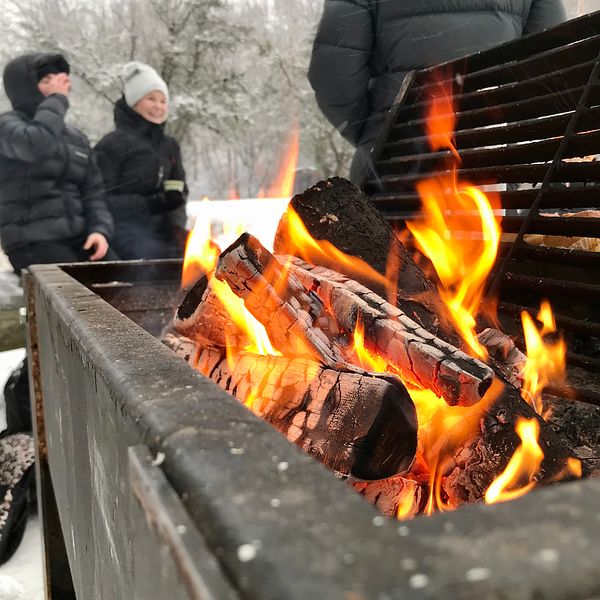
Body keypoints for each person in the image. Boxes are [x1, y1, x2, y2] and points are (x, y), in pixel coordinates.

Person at [308, 0, 568, 183]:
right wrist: (502, 128)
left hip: (392, 167)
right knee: (493, 260)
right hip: (491, 168)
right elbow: (548, 70)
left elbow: (333, 75)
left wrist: (377, 132)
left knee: (380, 259)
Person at [0, 53, 115, 274]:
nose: (57, 89)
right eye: (45, 81)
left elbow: (94, 191)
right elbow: (35, 146)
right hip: (32, 241)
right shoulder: (6, 126)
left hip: (78, 239)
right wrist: (56, 99)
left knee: (124, 283)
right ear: (25, 88)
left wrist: (99, 230)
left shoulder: (75, 137)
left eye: (58, 81)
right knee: (72, 296)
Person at [94, 62, 188, 260]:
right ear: (134, 102)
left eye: (163, 101)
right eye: (151, 99)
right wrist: (150, 204)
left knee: (206, 256)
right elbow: (100, 199)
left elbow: (181, 191)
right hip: (124, 230)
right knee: (154, 259)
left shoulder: (170, 145)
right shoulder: (112, 144)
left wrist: (177, 228)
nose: (158, 106)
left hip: (165, 228)